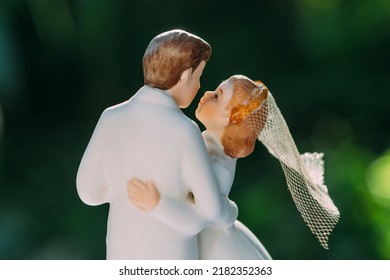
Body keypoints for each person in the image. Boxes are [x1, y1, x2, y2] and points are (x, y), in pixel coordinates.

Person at [76, 29, 238, 259]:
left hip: (121, 250)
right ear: (183, 76)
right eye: (198, 76)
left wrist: (123, 195)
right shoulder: (185, 130)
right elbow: (211, 208)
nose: (200, 86)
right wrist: (230, 210)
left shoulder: (109, 118)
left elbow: (87, 192)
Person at [128, 75, 272, 259]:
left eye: (217, 96)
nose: (207, 93)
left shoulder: (217, 167)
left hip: (212, 250)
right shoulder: (205, 143)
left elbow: (196, 219)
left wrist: (157, 204)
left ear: (229, 117)